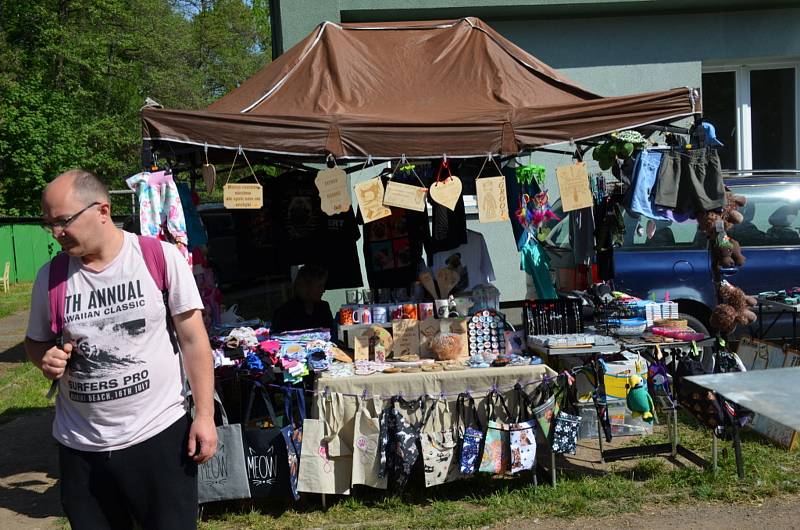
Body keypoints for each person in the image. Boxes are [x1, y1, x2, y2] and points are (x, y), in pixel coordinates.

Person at [24, 169, 216, 530]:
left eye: (63, 221)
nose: (56, 233)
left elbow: (193, 341)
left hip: (158, 438)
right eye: (48, 224)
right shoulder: (50, 277)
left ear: (103, 210)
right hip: (81, 449)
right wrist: (43, 358)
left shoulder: (157, 258)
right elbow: (35, 343)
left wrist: (204, 416)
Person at [271, 265, 333, 333]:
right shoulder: (285, 313)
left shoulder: (324, 308)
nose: (323, 290)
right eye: (320, 286)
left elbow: (331, 334)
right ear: (306, 287)